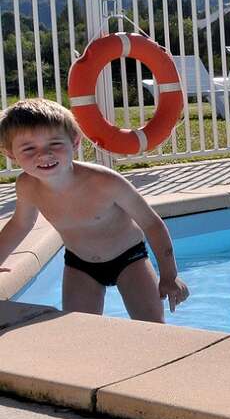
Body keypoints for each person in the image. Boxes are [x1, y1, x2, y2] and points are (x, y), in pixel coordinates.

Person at [0, 98, 188, 323]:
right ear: (10, 154)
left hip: (129, 259)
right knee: (80, 331)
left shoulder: (105, 182)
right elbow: (20, 225)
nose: (44, 154)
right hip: (80, 264)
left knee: (152, 326)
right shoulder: (27, 186)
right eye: (29, 148)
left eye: (55, 144)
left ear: (75, 142)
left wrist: (169, 275)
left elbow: (151, 223)